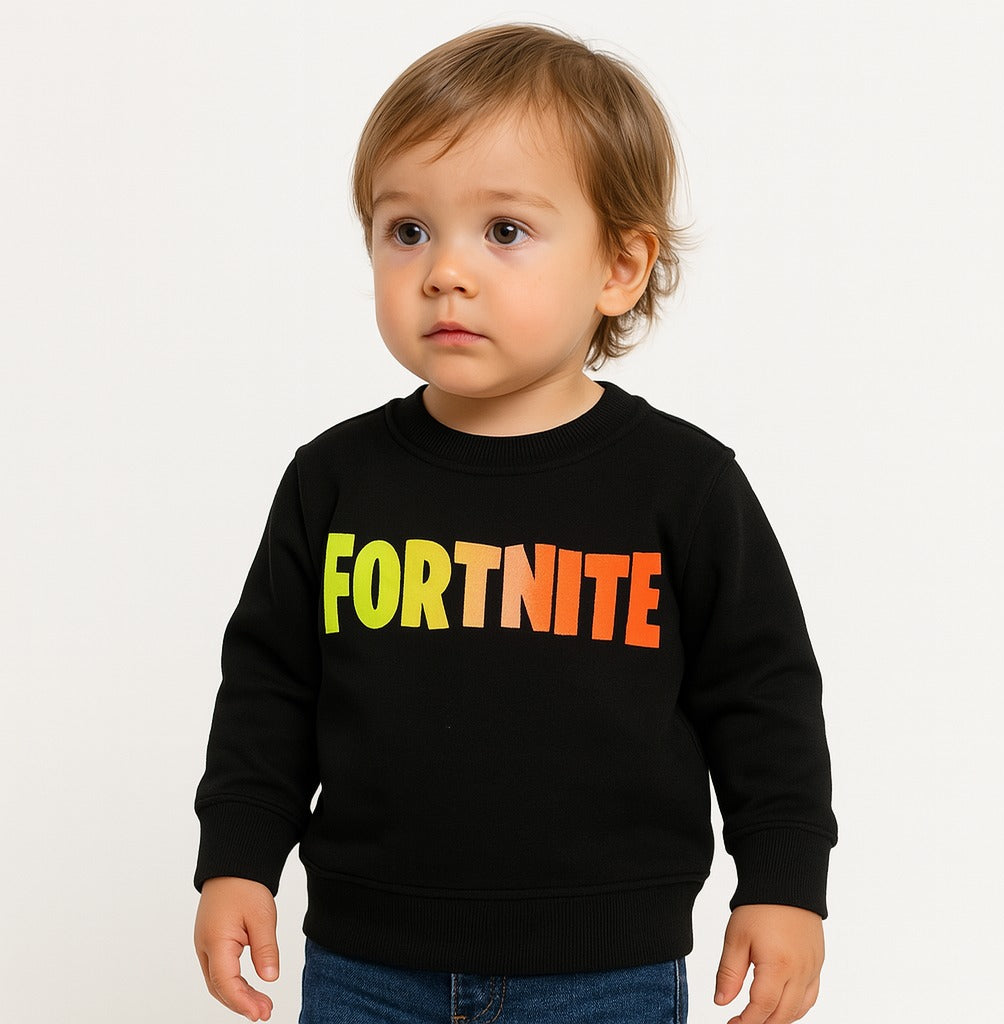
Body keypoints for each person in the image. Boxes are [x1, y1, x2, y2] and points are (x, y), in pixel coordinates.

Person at [193, 23, 838, 1024]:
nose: (445, 271)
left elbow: (763, 695)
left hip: (605, 972)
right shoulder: (334, 480)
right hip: (368, 965)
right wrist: (236, 858)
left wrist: (785, 881)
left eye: (503, 231)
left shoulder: (682, 485)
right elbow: (270, 689)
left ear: (619, 266)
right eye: (408, 230)